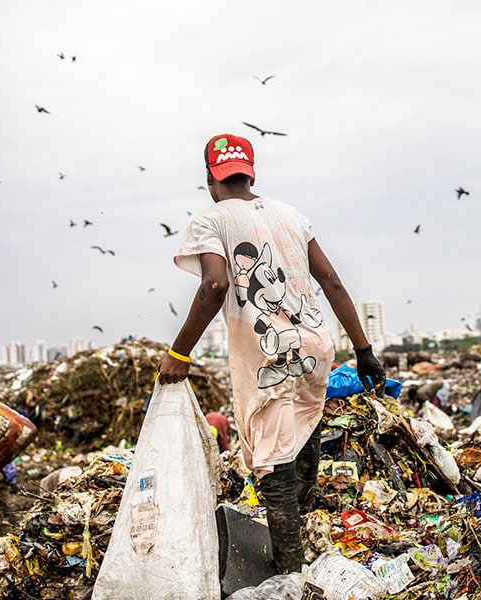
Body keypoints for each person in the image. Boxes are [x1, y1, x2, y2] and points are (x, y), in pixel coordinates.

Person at [158, 132, 386, 574]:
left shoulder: (211, 220)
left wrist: (179, 353)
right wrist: (364, 350)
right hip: (316, 348)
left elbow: (214, 285)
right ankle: (304, 526)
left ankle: (291, 572)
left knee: (273, 466)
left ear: (210, 177)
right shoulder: (292, 216)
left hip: (269, 356)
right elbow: (333, 282)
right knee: (303, 431)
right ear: (251, 172)